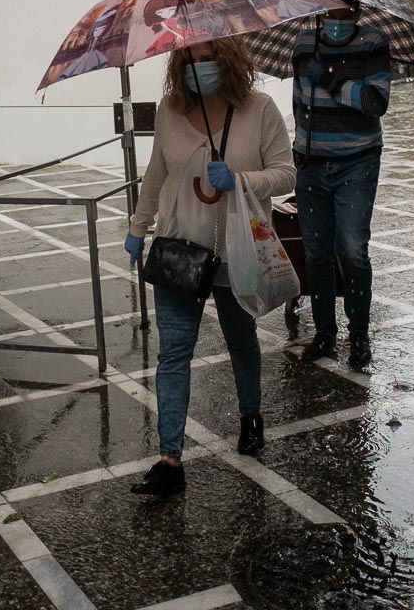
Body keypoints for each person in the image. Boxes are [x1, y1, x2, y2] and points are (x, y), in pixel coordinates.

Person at [123, 36, 296, 497]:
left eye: (208, 59)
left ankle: (251, 416)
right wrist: (138, 227)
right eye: (191, 60)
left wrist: (240, 179)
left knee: (241, 340)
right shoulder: (170, 111)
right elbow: (156, 173)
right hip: (180, 251)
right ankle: (170, 459)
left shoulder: (259, 109)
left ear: (228, 61)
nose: (199, 67)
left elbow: (286, 173)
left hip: (237, 252)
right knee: (173, 353)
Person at [291, 0, 392, 370]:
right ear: (320, 13)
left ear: (357, 13)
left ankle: (359, 332)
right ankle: (324, 332)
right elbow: (301, 101)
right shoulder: (304, 44)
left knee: (351, 249)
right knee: (316, 252)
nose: (337, 21)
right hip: (312, 164)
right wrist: (301, 148)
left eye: (345, 14)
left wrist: (330, 78)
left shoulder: (373, 42)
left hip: (358, 161)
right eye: (330, 14)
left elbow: (374, 102)